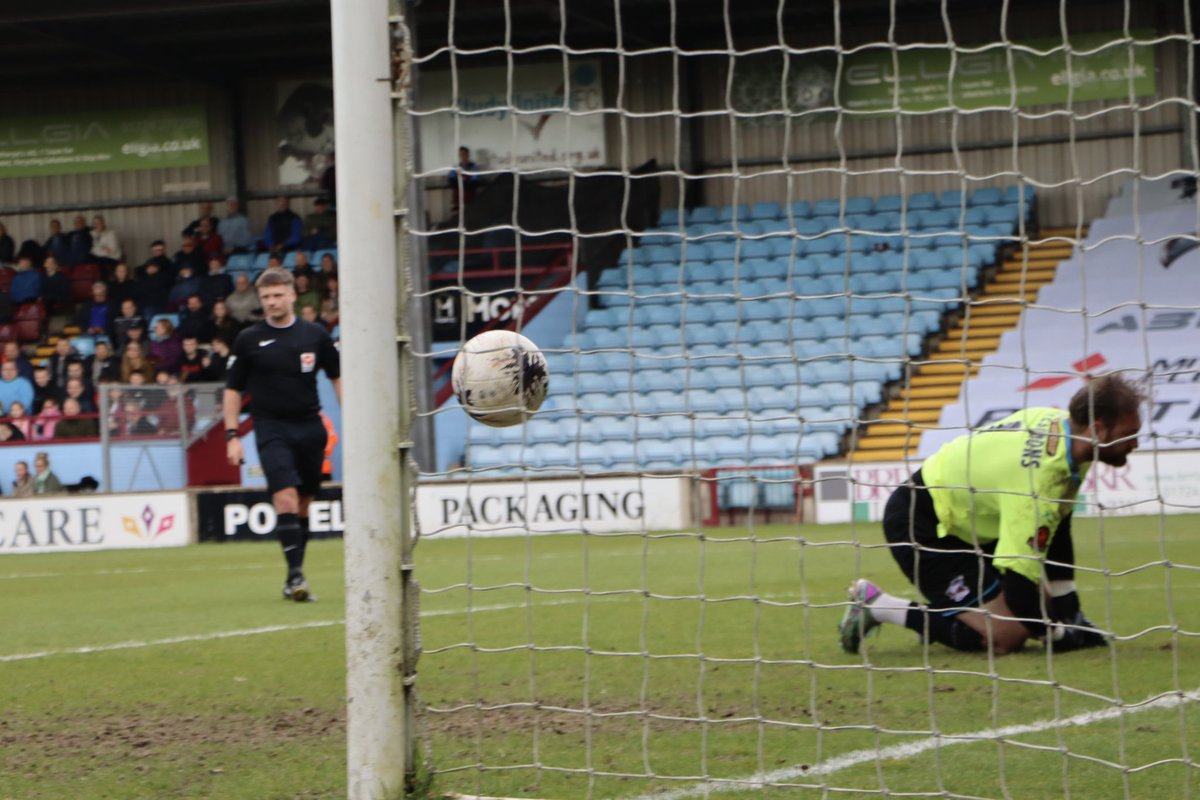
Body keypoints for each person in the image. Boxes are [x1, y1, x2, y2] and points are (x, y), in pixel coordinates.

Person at [838, 375, 1145, 657]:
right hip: (924, 524)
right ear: (1097, 430)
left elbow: (1059, 529)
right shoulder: (1038, 482)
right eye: (1128, 435)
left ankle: (958, 611)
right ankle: (879, 606)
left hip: (969, 519)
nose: (1135, 444)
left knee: (1047, 608)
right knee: (1007, 637)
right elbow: (1019, 591)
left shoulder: (1064, 432)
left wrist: (1071, 613)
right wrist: (1061, 635)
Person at [224, 269, 341, 602]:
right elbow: (232, 390)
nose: (272, 302)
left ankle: (294, 576)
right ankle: (295, 576)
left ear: (292, 295)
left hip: (310, 428)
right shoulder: (248, 339)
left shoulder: (315, 335)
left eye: (277, 295)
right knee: (285, 497)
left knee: (303, 503)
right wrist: (232, 434)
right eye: (266, 297)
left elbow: (337, 377)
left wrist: (355, 421)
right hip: (270, 427)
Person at [448, 146, 480, 213]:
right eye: (461, 154)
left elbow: (475, 181)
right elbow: (451, 180)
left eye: (465, 154)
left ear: (468, 155)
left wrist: (463, 183)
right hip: (458, 197)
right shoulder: (456, 168)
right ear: (459, 155)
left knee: (471, 213)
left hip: (469, 197)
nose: (463, 156)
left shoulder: (473, 167)